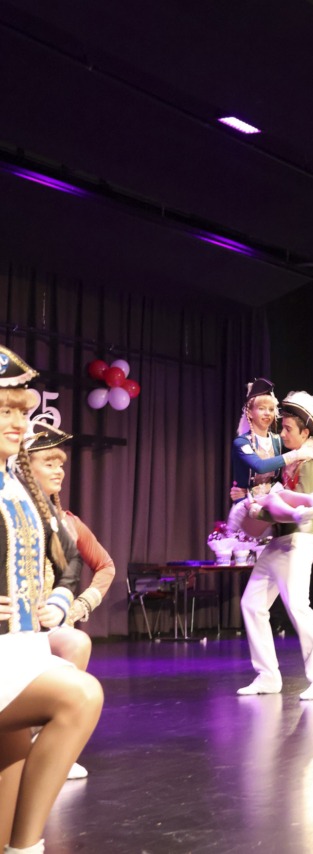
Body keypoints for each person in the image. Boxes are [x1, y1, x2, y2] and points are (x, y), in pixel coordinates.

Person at [0, 346, 103, 854]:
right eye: (5, 411)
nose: (18, 422)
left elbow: (69, 561)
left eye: (22, 411)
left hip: (20, 649)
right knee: (80, 695)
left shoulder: (21, 486)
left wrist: (62, 603)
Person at [23, 423, 115, 779]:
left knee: (75, 641)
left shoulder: (68, 523)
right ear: (24, 466)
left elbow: (105, 566)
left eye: (60, 463)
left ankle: (51, 744)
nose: (59, 470)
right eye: (48, 462)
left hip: (48, 627)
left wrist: (78, 606)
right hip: (12, 628)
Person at [236, 389, 313, 700]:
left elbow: (292, 502)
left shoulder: (311, 462)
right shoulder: (289, 463)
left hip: (301, 537)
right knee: (252, 604)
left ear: (305, 433)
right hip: (281, 538)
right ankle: (267, 676)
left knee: (298, 605)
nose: (282, 433)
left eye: (289, 429)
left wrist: (256, 510)